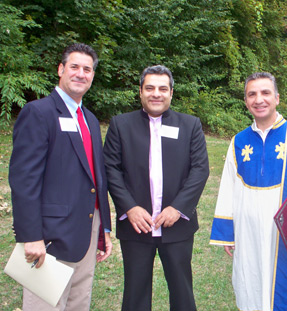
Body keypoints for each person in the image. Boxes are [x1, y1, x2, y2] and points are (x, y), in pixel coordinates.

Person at [9, 43, 112, 311]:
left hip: (86, 231)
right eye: (74, 67)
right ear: (61, 69)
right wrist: (30, 236)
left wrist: (104, 229)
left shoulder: (89, 119)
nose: (81, 74)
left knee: (79, 302)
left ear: (92, 75)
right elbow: (24, 180)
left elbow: (96, 176)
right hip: (50, 236)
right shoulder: (38, 113)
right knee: (45, 305)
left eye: (87, 69)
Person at [210, 72, 287, 311]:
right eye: (252, 94)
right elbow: (229, 187)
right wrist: (227, 231)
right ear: (245, 101)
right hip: (249, 236)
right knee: (251, 289)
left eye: (265, 93)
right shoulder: (238, 141)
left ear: (277, 98)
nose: (259, 99)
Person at [103, 65, 209, 311]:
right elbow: (111, 169)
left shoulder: (190, 125)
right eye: (149, 88)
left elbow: (200, 170)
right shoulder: (121, 125)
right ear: (140, 92)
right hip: (136, 226)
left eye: (163, 88)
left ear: (171, 93)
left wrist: (178, 208)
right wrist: (129, 207)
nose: (156, 94)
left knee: (182, 291)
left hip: (177, 224)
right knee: (135, 293)